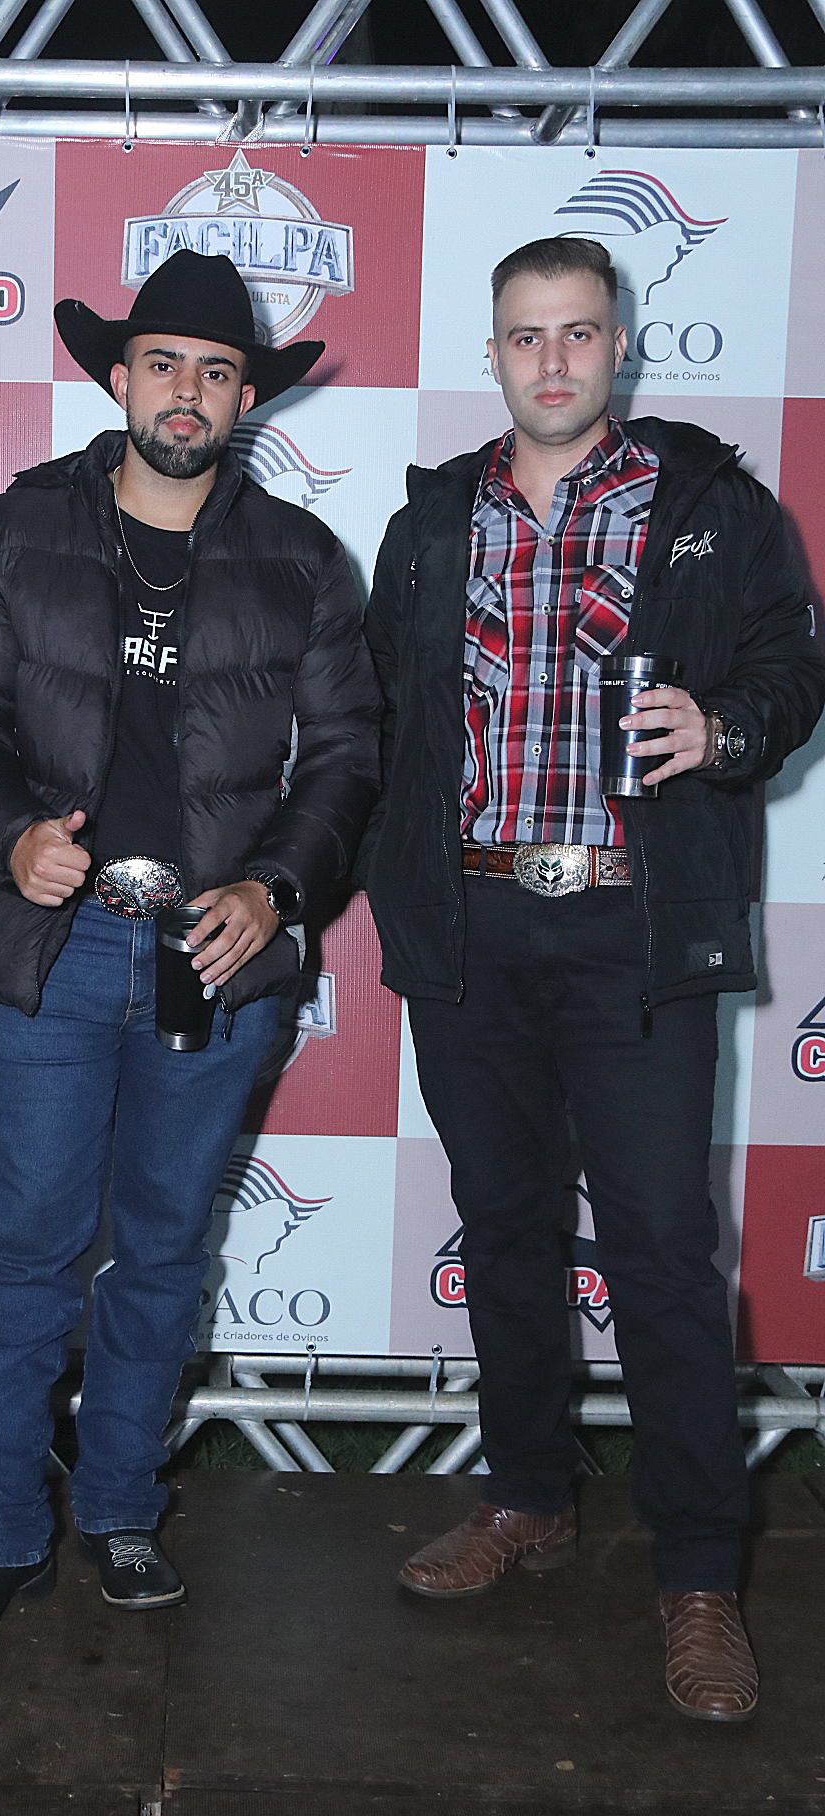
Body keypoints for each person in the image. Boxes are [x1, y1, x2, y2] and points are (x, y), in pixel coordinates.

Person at [362, 235, 825, 1722]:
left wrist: (729, 729)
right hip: (474, 926)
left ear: (620, 344)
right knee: (503, 1227)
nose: (552, 360)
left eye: (577, 333)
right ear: (493, 354)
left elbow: (793, 667)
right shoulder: (436, 517)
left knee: (662, 1253)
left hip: (634, 929)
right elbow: (377, 709)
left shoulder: (710, 503)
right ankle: (527, 1496)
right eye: (525, 336)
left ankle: (698, 1576)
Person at [0, 249, 379, 1644]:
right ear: (118, 378)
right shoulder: (17, 528)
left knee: (164, 1253)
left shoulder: (302, 556)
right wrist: (9, 838)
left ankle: (119, 1513)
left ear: (245, 399)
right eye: (164, 363)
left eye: (216, 373)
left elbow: (348, 756)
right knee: (29, 1257)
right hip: (55, 944)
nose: (188, 391)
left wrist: (276, 890)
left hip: (211, 956)